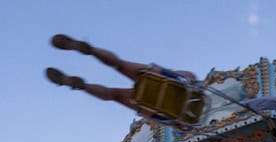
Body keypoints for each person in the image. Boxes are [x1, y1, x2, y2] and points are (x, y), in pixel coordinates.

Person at [45, 34, 199, 120]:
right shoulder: (197, 105)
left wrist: (167, 72)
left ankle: (89, 57)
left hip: (161, 88)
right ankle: (84, 75)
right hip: (171, 106)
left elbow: (187, 76)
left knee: (119, 69)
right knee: (116, 90)